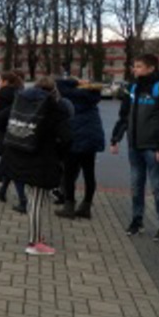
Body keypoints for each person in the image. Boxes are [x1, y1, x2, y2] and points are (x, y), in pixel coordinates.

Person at [4, 76, 72, 255]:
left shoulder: (22, 102)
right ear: (53, 90)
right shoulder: (54, 107)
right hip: (43, 160)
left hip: (20, 156)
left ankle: (36, 236)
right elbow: (66, 137)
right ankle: (34, 243)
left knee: (32, 198)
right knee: (36, 201)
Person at [109, 53, 159, 242]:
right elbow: (124, 115)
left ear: (151, 68)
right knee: (136, 186)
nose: (135, 69)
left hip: (154, 147)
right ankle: (137, 220)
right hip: (134, 146)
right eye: (134, 66)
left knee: (158, 187)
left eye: (139, 66)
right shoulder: (132, 87)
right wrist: (115, 138)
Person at [55, 78, 105, 220]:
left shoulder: (72, 96)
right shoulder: (92, 97)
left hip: (74, 137)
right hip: (91, 138)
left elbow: (60, 83)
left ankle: (69, 205)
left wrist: (75, 81)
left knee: (69, 174)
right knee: (89, 173)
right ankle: (86, 206)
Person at [0, 71, 27, 213]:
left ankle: (23, 201)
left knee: (13, 167)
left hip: (5, 134)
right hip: (19, 133)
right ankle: (2, 191)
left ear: (5, 82)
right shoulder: (21, 94)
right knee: (9, 165)